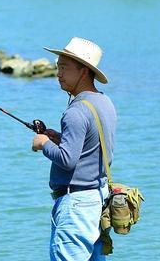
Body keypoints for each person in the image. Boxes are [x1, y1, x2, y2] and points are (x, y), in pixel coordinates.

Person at [31, 37, 116, 261]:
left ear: (83, 71)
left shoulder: (76, 111)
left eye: (64, 68)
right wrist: (60, 138)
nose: (58, 73)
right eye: (57, 67)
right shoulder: (104, 102)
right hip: (97, 199)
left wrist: (43, 144)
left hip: (75, 205)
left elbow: (67, 160)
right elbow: (91, 145)